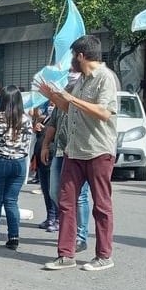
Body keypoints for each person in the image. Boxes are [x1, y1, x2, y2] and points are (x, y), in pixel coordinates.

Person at [39, 35, 119, 272]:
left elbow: (104, 113)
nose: (72, 60)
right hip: (73, 151)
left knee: (101, 205)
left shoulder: (105, 78)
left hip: (98, 151)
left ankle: (104, 255)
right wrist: (52, 96)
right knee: (66, 203)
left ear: (81, 55)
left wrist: (71, 98)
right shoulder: (80, 80)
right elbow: (68, 108)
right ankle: (66, 255)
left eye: (74, 55)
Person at [40, 70, 93, 252]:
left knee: (80, 196)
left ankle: (80, 236)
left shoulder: (83, 100)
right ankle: (68, 227)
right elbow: (52, 124)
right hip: (60, 151)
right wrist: (46, 145)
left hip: (79, 153)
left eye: (74, 73)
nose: (71, 75)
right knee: (55, 192)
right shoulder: (61, 99)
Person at [0, 85, 34, 250]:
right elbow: (28, 143)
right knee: (11, 201)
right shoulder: (26, 120)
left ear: (1, 100)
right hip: (18, 163)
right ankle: (14, 237)